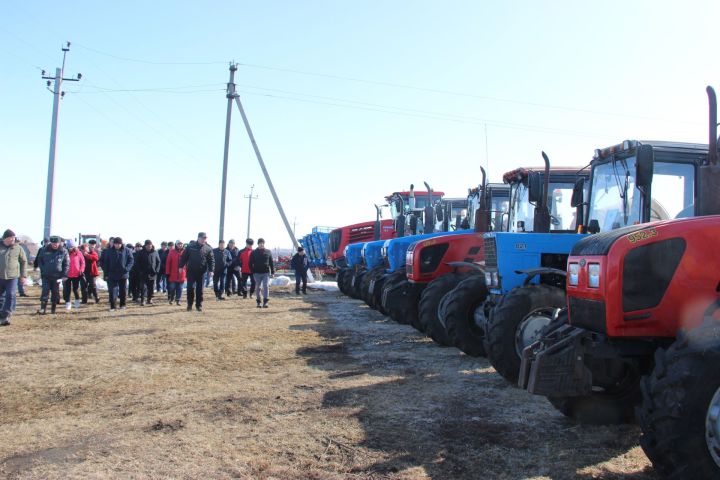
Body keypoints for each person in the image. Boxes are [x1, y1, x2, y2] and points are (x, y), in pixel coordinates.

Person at [179, 232, 214, 312]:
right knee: (190, 288)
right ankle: (189, 305)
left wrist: (211, 270)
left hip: (201, 272)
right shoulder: (190, 247)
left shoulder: (208, 248)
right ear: (198, 238)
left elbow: (211, 260)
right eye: (202, 238)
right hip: (191, 271)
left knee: (200, 289)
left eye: (205, 238)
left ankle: (199, 305)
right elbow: (184, 257)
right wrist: (181, 266)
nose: (203, 240)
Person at [0, 229, 27, 325]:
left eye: (14, 238)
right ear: (5, 238)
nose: (13, 240)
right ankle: (1, 314)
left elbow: (23, 261)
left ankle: (6, 315)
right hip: (0, 276)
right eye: (11, 238)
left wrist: (23, 276)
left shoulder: (18, 248)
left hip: (12, 276)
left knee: (10, 295)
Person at [100, 237, 135, 311]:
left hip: (123, 274)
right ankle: (113, 306)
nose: (117, 245)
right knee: (113, 290)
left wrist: (127, 269)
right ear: (113, 244)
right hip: (112, 274)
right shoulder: (109, 251)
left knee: (123, 290)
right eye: (116, 244)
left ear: (121, 244)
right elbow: (105, 262)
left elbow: (131, 260)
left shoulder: (127, 250)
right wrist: (106, 272)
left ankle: (122, 305)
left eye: (119, 244)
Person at [37, 235, 69, 315]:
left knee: (55, 292)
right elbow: (39, 260)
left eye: (56, 243)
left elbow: (66, 264)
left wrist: (64, 275)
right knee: (45, 291)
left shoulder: (63, 251)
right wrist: (43, 269)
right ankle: (43, 309)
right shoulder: (44, 250)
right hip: (46, 276)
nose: (55, 245)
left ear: (59, 243)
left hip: (57, 276)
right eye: (53, 243)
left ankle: (53, 310)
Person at [249, 238, 274, 308]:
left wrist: (272, 272)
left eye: (262, 243)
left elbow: (271, 262)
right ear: (258, 244)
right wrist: (252, 271)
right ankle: (258, 302)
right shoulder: (254, 252)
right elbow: (250, 263)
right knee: (258, 287)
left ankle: (265, 302)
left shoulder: (268, 251)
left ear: (264, 244)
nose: (261, 244)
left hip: (266, 272)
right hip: (256, 273)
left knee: (266, 286)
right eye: (260, 243)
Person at [137, 239, 161, 306]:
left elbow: (158, 262)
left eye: (150, 245)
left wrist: (157, 270)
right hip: (143, 273)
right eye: (147, 245)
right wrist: (140, 271)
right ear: (145, 246)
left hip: (152, 273)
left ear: (152, 245)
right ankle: (142, 300)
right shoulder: (141, 252)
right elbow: (137, 263)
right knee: (143, 287)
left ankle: (149, 299)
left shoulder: (155, 252)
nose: (149, 246)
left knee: (151, 288)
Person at [63, 239, 85, 310]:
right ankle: (68, 302)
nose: (70, 248)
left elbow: (82, 262)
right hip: (67, 274)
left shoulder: (78, 253)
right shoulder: (64, 252)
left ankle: (77, 300)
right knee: (67, 290)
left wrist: (81, 270)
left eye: (71, 247)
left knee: (75, 289)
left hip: (76, 274)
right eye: (69, 247)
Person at [165, 240, 186, 305]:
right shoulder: (172, 252)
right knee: (172, 287)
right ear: (176, 244)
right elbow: (168, 263)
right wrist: (167, 272)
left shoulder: (185, 252)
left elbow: (187, 263)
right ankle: (171, 298)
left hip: (182, 273)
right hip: (173, 273)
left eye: (181, 244)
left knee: (180, 288)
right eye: (179, 244)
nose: (180, 245)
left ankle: (178, 300)